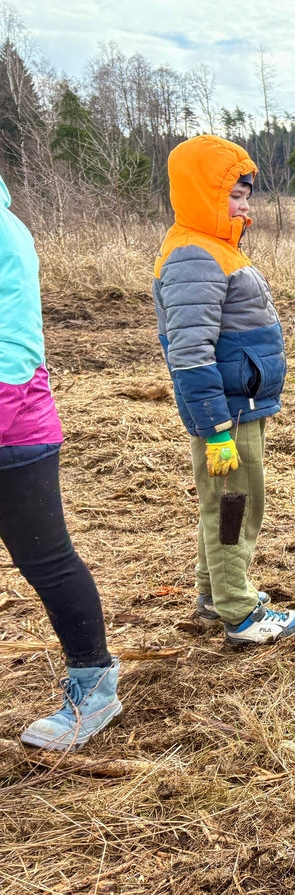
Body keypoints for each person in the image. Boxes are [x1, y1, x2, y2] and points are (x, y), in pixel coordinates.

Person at [153, 134, 295, 646]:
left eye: (246, 196)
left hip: (241, 406)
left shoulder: (212, 249)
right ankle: (240, 614)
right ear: (202, 192)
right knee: (234, 507)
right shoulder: (194, 256)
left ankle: (214, 592)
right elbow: (190, 353)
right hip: (228, 413)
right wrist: (216, 428)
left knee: (226, 501)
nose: (244, 207)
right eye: (234, 196)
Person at [1, 170, 122, 750]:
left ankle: (93, 682)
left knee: (46, 558)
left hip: (14, 418)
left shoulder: (5, 231)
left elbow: (14, 343)